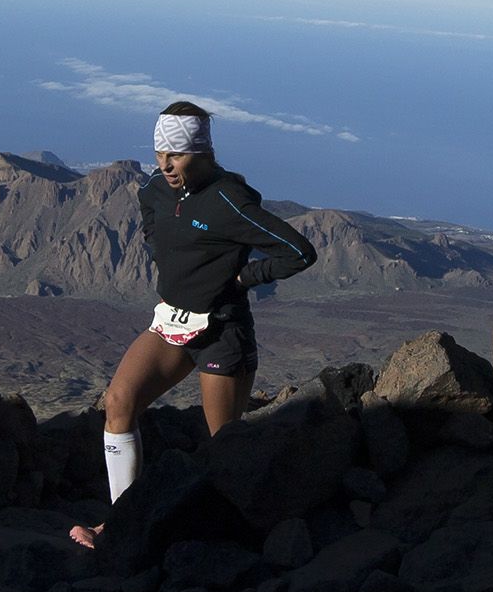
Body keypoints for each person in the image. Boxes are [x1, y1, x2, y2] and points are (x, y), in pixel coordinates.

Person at [72, 101, 317, 550]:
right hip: (172, 322)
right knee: (119, 402)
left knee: (224, 445)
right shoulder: (155, 190)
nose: (165, 164)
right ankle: (124, 524)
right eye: (160, 152)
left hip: (223, 333)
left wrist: (244, 278)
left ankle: (237, 539)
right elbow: (151, 221)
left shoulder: (229, 199)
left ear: (201, 152)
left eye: (177, 155)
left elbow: (298, 251)